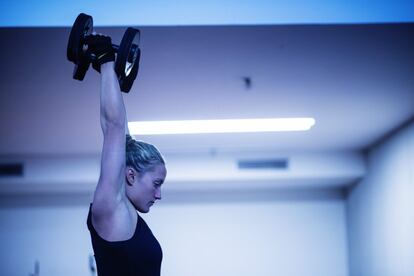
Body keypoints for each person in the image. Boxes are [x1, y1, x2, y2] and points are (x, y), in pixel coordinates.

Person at [85, 34, 167, 276]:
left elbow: (122, 134)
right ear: (130, 175)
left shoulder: (127, 213)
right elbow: (114, 127)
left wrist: (110, 77)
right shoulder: (112, 207)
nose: (159, 195)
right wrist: (106, 60)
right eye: (156, 184)